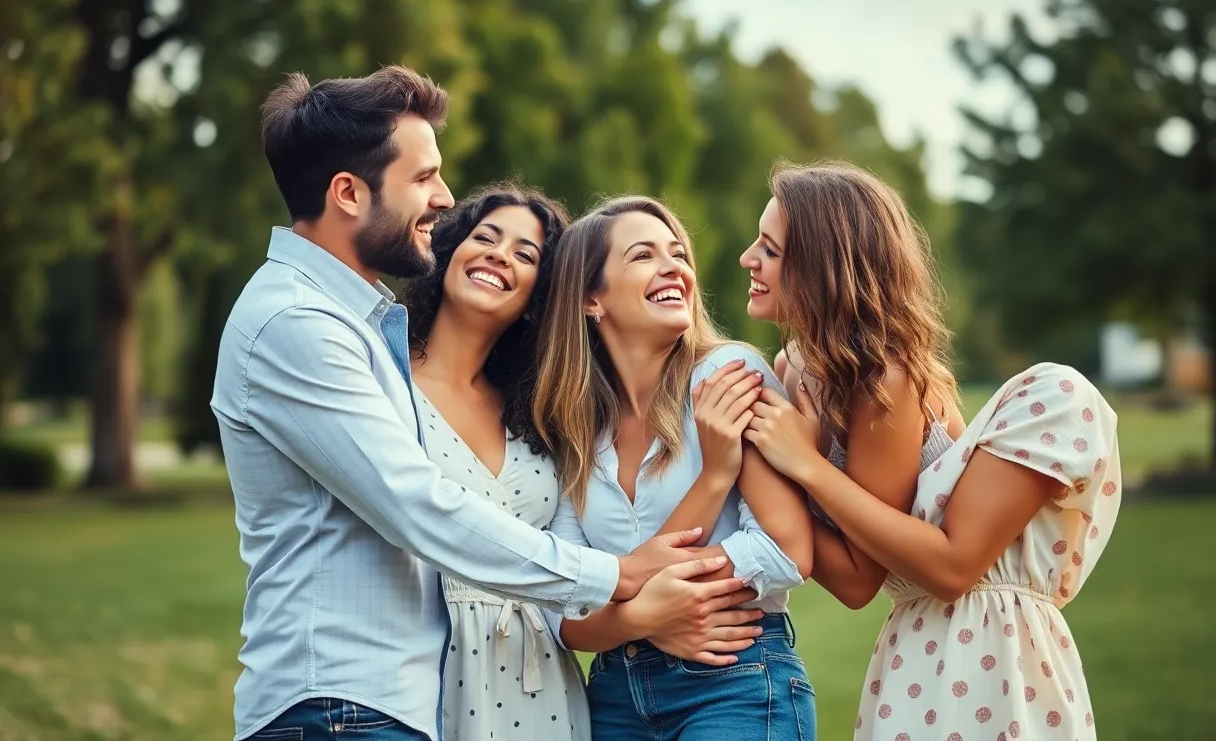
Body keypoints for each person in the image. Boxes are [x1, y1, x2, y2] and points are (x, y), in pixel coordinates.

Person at [211, 67, 739, 741]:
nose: (444, 197)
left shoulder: (353, 327)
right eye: (424, 177)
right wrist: (616, 573)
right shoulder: (294, 323)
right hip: (337, 707)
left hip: (386, 706)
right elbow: (416, 504)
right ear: (348, 192)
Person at [737, 161, 1122, 740]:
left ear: (823, 268)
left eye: (770, 248)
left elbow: (879, 578)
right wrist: (765, 467)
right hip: (917, 644)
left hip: (990, 646)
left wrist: (800, 468)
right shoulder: (795, 371)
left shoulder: (881, 380)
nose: (748, 258)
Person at [532, 195, 819, 740]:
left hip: (732, 678)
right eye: (643, 255)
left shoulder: (728, 376)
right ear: (592, 299)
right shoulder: (571, 426)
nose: (675, 267)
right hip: (613, 696)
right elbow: (564, 615)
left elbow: (786, 551)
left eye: (678, 253)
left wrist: (623, 594)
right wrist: (645, 616)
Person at [400, 181, 590, 739]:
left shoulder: (536, 412)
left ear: (539, 295)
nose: (499, 255)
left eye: (525, 254)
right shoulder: (382, 378)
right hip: (430, 666)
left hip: (543, 686)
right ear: (449, 251)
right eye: (486, 236)